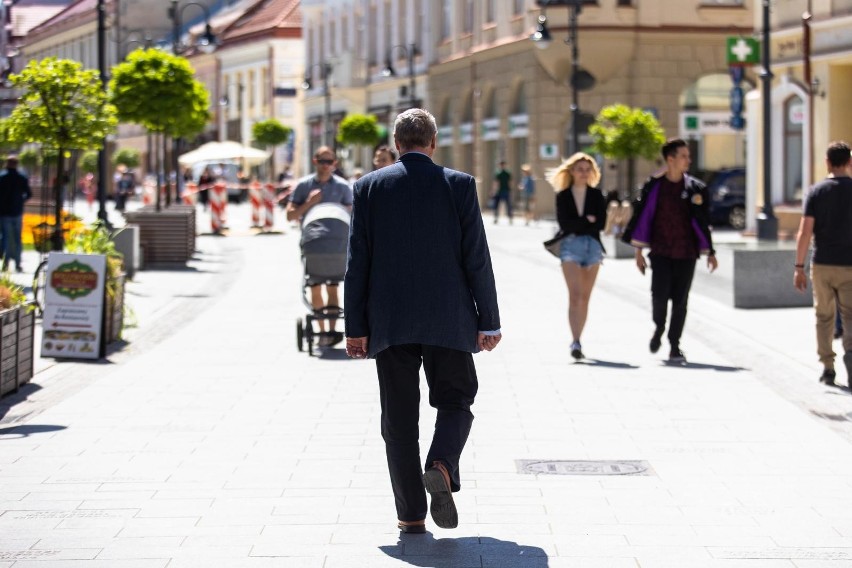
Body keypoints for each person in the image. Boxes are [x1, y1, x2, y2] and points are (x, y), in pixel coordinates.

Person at [344, 108, 502, 534]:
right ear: (433, 143)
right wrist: (488, 320)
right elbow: (477, 258)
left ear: (396, 144)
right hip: (448, 317)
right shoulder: (459, 185)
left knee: (398, 417)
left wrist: (354, 326)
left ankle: (411, 514)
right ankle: (442, 464)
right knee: (456, 399)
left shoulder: (368, 187)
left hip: (388, 320)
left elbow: (358, 262)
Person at [622, 138, 717, 364]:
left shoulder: (696, 188)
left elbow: (704, 222)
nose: (688, 160)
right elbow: (642, 217)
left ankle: (675, 345)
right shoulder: (654, 187)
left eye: (688, 156)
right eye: (683, 156)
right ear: (670, 159)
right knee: (659, 296)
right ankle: (659, 327)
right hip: (661, 251)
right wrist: (638, 252)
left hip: (687, 252)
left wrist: (711, 252)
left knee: (681, 301)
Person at [793, 141, 852, 386]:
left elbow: (805, 232)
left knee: (824, 317)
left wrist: (799, 267)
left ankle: (828, 367)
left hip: (823, 264)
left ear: (827, 162)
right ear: (849, 162)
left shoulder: (816, 192)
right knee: (851, 317)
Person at [287, 146, 353, 345]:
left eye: (330, 161)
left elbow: (352, 215)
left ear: (335, 163)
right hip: (313, 244)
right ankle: (322, 331)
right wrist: (309, 203)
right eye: (322, 161)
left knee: (333, 288)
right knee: (315, 287)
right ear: (315, 161)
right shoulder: (304, 185)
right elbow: (290, 215)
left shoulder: (342, 187)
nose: (326, 166)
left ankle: (332, 332)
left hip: (337, 245)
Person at [548, 153, 607, 360]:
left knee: (584, 298)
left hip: (593, 247)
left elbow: (600, 224)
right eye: (579, 169)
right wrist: (586, 220)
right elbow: (566, 224)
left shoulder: (597, 196)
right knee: (574, 296)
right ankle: (575, 341)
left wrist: (581, 221)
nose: (583, 173)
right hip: (570, 247)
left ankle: (579, 337)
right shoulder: (563, 195)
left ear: (592, 172)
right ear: (572, 171)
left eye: (587, 169)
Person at [0, 156, 32, 272]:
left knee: (5, 238)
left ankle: (6, 263)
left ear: (7, 164)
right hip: (17, 212)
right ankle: (18, 263)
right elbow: (29, 194)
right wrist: (20, 201)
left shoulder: (2, 177)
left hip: (4, 213)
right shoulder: (21, 178)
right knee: (17, 238)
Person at [491, 160, 513, 224]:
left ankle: (510, 218)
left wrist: (510, 190)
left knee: (508, 205)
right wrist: (494, 190)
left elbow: (510, 182)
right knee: (496, 205)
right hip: (499, 191)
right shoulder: (498, 173)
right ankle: (496, 218)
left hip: (505, 190)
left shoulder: (507, 173)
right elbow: (496, 182)